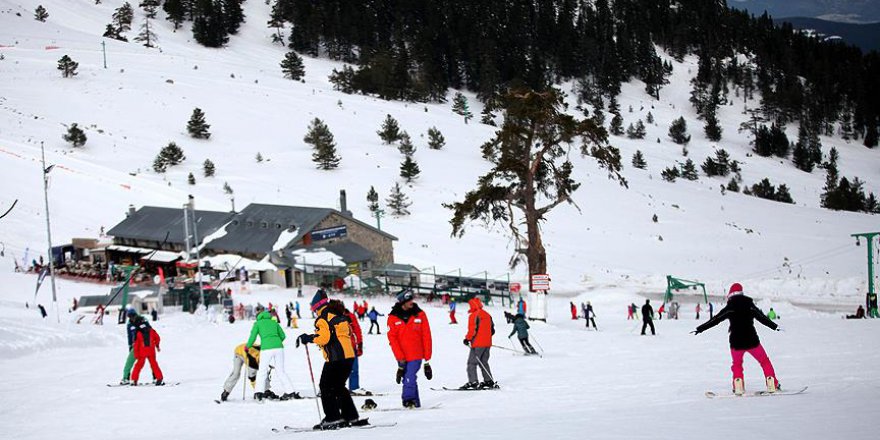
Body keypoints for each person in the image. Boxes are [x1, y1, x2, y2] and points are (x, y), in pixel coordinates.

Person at [692, 283, 781, 395]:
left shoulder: (730, 307)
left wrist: (700, 328)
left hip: (736, 342)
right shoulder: (749, 304)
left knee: (737, 365)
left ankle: (738, 385)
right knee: (764, 361)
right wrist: (775, 327)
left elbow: (716, 319)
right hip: (752, 340)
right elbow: (762, 317)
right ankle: (771, 382)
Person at [296, 292, 362, 429]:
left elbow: (324, 338)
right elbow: (348, 332)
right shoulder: (338, 315)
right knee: (338, 386)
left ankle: (333, 418)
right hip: (349, 356)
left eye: (314, 309)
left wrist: (309, 338)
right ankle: (350, 416)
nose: (314, 312)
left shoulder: (323, 318)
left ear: (317, 307)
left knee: (325, 386)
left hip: (336, 358)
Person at [387, 290, 433, 408]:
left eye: (412, 299)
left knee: (409, 376)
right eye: (409, 300)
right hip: (401, 355)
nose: (412, 302)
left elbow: (426, 335)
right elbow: (392, 339)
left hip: (416, 354)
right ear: (402, 302)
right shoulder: (393, 317)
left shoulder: (420, 314)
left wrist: (427, 359)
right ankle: (415, 403)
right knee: (408, 378)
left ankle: (408, 399)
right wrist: (400, 358)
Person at [245, 305, 299, 401]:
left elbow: (252, 337)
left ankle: (259, 393)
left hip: (266, 348)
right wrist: (276, 342)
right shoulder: (274, 322)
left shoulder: (257, 323)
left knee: (262, 370)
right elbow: (283, 336)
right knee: (281, 371)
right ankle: (290, 392)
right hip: (279, 348)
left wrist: (247, 347)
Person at [461, 297, 496, 390]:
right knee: (484, 362)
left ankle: (473, 382)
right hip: (487, 344)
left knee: (471, 363)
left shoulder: (474, 315)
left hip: (477, 344)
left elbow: (472, 330)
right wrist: (486, 338)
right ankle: (488, 381)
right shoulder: (487, 314)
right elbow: (492, 330)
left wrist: (467, 339)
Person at [130, 313, 164, 386]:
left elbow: (136, 345)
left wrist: (136, 354)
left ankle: (134, 380)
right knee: (154, 364)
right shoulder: (150, 329)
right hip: (151, 350)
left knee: (138, 365)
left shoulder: (138, 331)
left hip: (142, 351)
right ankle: (159, 378)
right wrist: (157, 345)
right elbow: (157, 338)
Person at [345, 305, 366, 394]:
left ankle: (354, 387)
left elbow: (357, 330)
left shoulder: (350, 316)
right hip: (338, 348)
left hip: (351, 346)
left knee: (354, 369)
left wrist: (360, 344)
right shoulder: (331, 317)